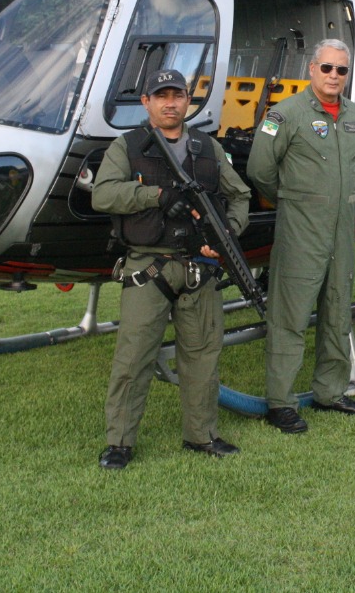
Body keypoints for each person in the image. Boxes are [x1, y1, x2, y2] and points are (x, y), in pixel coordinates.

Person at [90, 69, 251, 470]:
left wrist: (227, 233)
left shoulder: (207, 147)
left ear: (187, 101)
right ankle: (120, 442)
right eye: (161, 96)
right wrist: (156, 196)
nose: (170, 103)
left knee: (202, 355)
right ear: (146, 102)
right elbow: (103, 194)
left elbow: (240, 194)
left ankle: (202, 435)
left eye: (177, 95)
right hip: (149, 266)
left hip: (200, 267)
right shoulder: (127, 147)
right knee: (133, 357)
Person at [248, 38, 355, 434]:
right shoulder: (286, 114)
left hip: (341, 232)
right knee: (291, 318)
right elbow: (260, 170)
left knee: (337, 313)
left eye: (341, 70)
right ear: (312, 69)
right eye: (327, 68)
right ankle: (281, 403)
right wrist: (294, 199)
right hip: (301, 231)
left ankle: (330, 392)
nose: (334, 76)